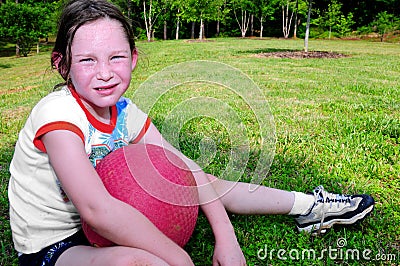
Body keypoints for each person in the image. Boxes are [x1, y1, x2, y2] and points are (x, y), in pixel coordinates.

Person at [8, 0, 374, 265]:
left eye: (116, 58)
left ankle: (309, 206)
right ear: (62, 64)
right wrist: (180, 258)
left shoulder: (123, 111)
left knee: (198, 180)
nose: (105, 73)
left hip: (105, 227)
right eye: (88, 60)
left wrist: (226, 238)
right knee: (140, 263)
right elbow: (97, 209)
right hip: (58, 245)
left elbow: (190, 171)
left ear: (133, 59)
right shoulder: (57, 114)